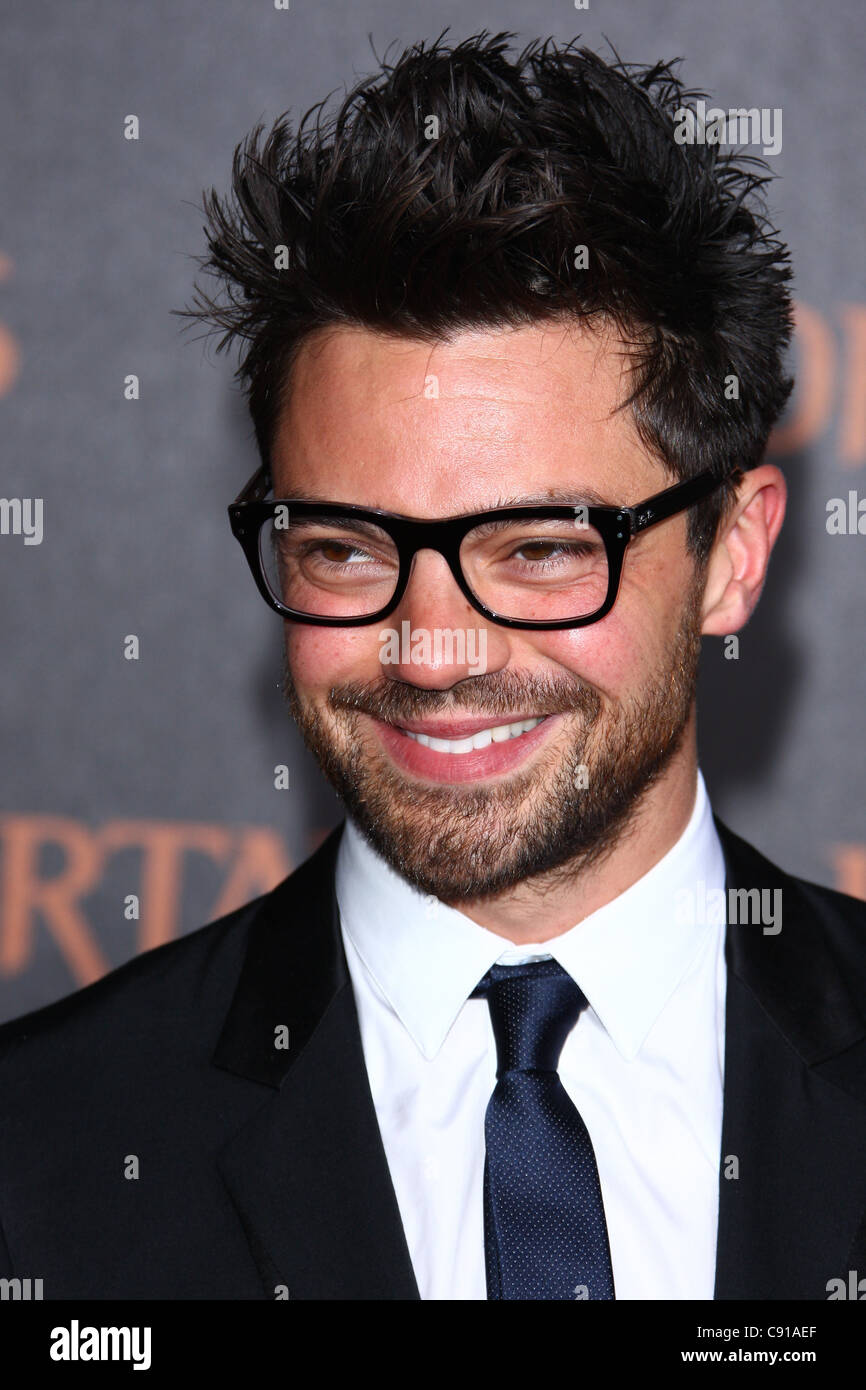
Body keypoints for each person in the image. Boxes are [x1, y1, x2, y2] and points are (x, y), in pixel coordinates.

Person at [1, 30, 865, 1303]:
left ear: (730, 555)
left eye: (536, 549)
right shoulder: (45, 1153)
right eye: (348, 550)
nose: (431, 649)